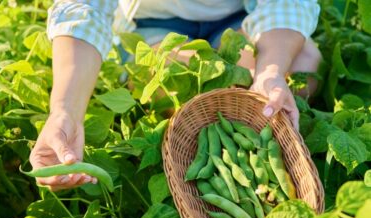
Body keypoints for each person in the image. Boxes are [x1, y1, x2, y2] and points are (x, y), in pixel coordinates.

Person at [30, 0, 322, 191]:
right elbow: (84, 7)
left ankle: (248, 156)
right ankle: (212, 161)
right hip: (154, 26)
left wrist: (269, 72)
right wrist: (65, 110)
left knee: (302, 66)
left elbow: (289, 3)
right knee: (171, 84)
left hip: (238, 16)